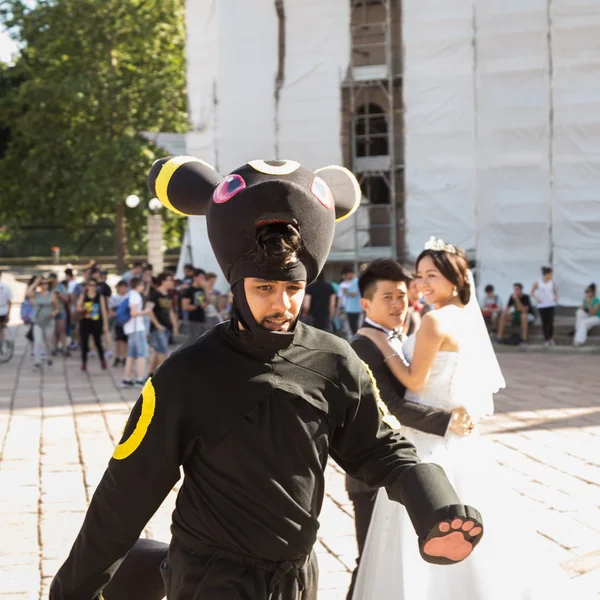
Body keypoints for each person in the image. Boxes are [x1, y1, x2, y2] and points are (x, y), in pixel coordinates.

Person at [50, 158, 485, 600]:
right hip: (210, 580)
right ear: (237, 287)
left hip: (296, 580)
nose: (282, 304)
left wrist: (435, 505)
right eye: (264, 288)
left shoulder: (335, 360)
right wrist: (72, 591)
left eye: (293, 289)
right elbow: (125, 494)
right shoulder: (186, 374)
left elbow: (382, 447)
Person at [352, 237, 567, 600]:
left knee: (418, 528)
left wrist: (387, 346)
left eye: (430, 276)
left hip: (427, 440)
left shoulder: (434, 320)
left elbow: (415, 383)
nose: (421, 285)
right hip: (453, 437)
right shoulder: (465, 319)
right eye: (419, 276)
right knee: (466, 523)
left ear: (456, 279)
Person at [345, 259, 463, 599]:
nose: (398, 304)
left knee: (396, 559)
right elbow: (391, 408)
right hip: (370, 473)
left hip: (404, 463)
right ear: (366, 303)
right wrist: (446, 419)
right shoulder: (362, 346)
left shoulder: (409, 330)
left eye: (401, 295)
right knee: (367, 558)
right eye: (387, 298)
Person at [121, 277, 153, 388]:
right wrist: (146, 311)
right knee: (142, 354)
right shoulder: (136, 296)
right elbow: (134, 313)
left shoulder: (129, 294)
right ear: (138, 286)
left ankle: (127, 378)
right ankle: (140, 378)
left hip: (130, 328)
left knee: (131, 354)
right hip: (136, 328)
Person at [148, 272, 178, 376]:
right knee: (163, 351)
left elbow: (170, 311)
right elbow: (148, 310)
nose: (172, 282)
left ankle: (151, 374)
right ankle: (165, 375)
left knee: (158, 351)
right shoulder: (155, 295)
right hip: (158, 329)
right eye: (170, 280)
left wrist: (174, 326)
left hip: (166, 327)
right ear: (163, 281)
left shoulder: (169, 295)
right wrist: (157, 325)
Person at [26, 275, 58, 369]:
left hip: (48, 321)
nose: (45, 285)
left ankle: (49, 357)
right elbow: (28, 292)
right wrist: (35, 282)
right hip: (38, 321)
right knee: (38, 341)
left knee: (47, 341)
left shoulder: (52, 295)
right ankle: (37, 361)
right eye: (42, 283)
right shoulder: (36, 295)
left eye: (46, 283)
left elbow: (56, 308)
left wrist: (53, 313)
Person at [77, 279, 109, 371]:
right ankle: (84, 362)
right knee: (84, 343)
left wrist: (105, 325)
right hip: (85, 322)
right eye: (90, 285)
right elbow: (78, 307)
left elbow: (103, 311)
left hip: (96, 322)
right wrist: (83, 308)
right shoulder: (83, 296)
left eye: (94, 285)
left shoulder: (100, 296)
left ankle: (102, 360)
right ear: (87, 286)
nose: (92, 287)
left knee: (98, 342)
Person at [531, 266, 557, 346]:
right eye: (550, 274)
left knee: (550, 322)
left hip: (551, 304)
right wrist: (537, 298)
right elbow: (532, 292)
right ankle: (546, 339)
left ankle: (551, 337)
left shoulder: (552, 282)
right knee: (544, 322)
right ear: (547, 274)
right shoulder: (538, 282)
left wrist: (555, 298)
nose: (551, 276)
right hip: (542, 305)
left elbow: (555, 292)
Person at [181, 268, 208, 339]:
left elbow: (208, 301)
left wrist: (206, 288)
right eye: (201, 277)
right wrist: (198, 306)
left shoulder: (202, 289)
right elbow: (185, 307)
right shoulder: (189, 290)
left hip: (202, 318)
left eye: (204, 278)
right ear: (195, 278)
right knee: (194, 340)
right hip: (193, 320)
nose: (203, 279)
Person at [109, 281, 130, 367]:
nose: (123, 289)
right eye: (121, 287)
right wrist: (115, 314)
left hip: (127, 322)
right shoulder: (115, 298)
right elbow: (110, 308)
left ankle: (125, 357)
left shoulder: (129, 297)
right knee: (118, 340)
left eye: (124, 287)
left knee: (126, 341)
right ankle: (118, 356)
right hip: (118, 322)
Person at [339, 267, 362, 335]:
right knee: (353, 327)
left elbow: (354, 294)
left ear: (349, 274)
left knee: (354, 327)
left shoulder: (355, 281)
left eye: (345, 275)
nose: (345, 277)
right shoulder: (354, 281)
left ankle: (355, 341)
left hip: (354, 308)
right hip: (352, 308)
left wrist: (346, 292)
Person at [0, 270, 13, 348]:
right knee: (2, 330)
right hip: (3, 311)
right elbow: (9, 302)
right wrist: (8, 314)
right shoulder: (6, 287)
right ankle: (2, 346)